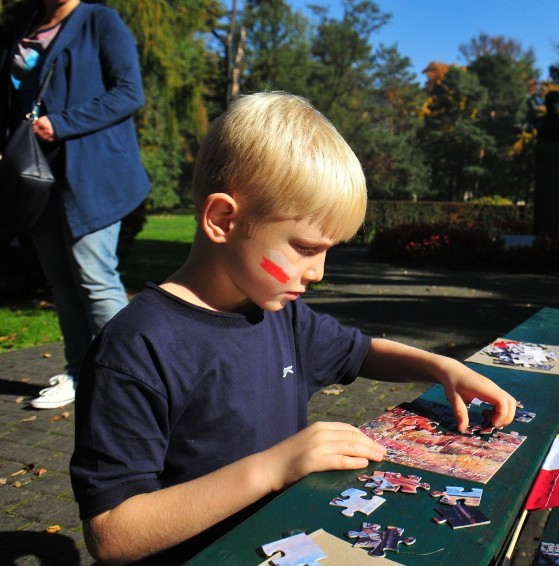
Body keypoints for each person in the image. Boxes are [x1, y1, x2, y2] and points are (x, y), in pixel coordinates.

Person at [69, 92, 518, 564]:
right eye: (305, 247)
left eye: (329, 250)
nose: (319, 271)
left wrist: (442, 367)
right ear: (224, 219)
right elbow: (112, 535)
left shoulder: (281, 315)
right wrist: (277, 466)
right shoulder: (136, 349)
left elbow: (361, 352)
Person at [0, 0, 150, 409]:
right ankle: (80, 374)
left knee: (95, 277)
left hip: (91, 172)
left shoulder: (99, 21)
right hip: (37, 175)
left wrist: (63, 123)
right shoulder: (31, 24)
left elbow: (128, 92)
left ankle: (132, 383)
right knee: (61, 281)